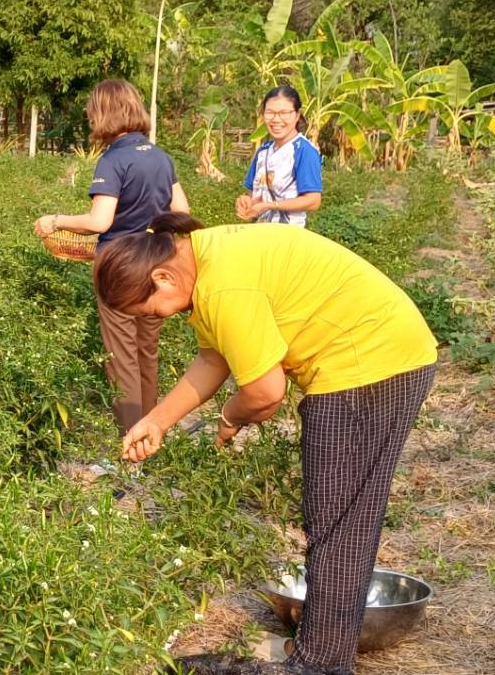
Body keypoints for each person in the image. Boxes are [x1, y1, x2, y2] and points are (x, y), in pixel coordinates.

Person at [97, 213, 438, 675]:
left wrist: (229, 416)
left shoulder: (223, 286)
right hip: (379, 352)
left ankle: (321, 664)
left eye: (148, 309)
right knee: (338, 516)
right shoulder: (202, 257)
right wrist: (156, 422)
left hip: (370, 363)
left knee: (339, 520)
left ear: (161, 277)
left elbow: (264, 393)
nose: (153, 318)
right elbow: (213, 358)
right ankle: (323, 653)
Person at [33, 79, 191, 432]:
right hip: (159, 265)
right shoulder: (161, 157)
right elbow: (181, 210)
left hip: (121, 270)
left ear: (103, 114)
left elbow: (99, 221)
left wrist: (55, 221)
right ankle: (151, 432)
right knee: (147, 350)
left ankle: (131, 439)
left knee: (121, 357)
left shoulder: (112, 160)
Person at [237, 85, 323, 226]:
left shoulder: (304, 151)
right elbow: (254, 194)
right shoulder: (263, 151)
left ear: (297, 115)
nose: (276, 119)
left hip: (288, 234)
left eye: (284, 113)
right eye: (270, 113)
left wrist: (269, 206)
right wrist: (247, 202)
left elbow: (313, 201)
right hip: (260, 232)